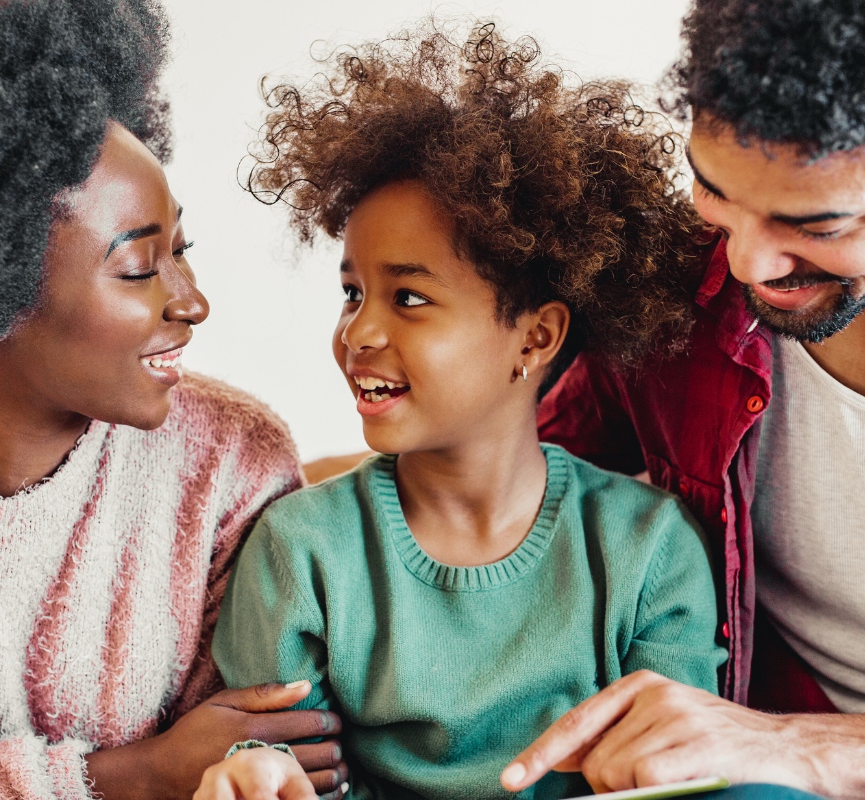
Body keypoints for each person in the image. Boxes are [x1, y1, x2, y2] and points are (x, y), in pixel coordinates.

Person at [498, 0, 865, 796]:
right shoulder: (680, 278)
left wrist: (798, 747)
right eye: (714, 191)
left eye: (817, 223)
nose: (748, 264)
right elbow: (499, 483)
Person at [198, 22, 740, 800]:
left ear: (536, 337)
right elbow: (281, 767)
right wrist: (257, 772)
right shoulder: (302, 551)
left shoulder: (649, 551)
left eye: (409, 297)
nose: (360, 331)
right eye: (353, 293)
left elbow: (679, 774)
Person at [0, 2, 346, 798]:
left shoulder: (231, 463)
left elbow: (243, 765)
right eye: (142, 267)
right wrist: (136, 775)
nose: (193, 302)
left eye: (183, 250)